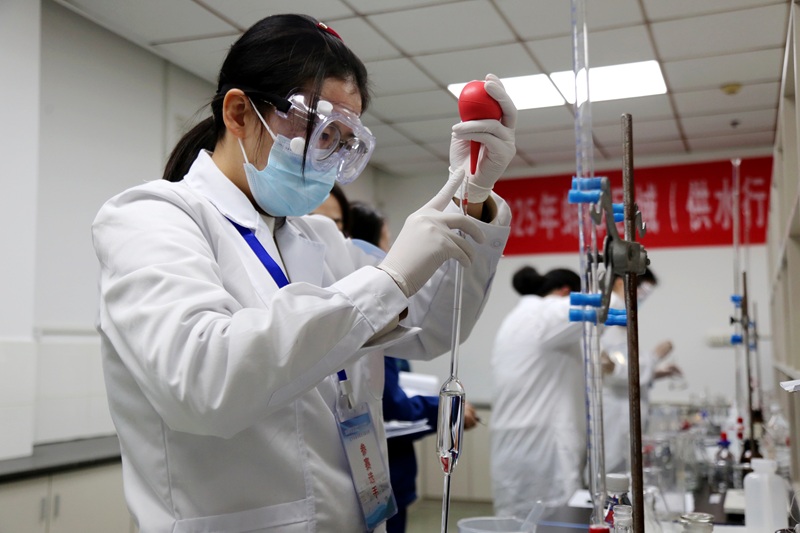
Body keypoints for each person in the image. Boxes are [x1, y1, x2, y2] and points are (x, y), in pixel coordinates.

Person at [91, 13, 516, 533]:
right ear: (239, 113)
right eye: (316, 129)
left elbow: (431, 327)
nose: (327, 155)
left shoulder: (318, 237)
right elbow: (202, 380)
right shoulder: (150, 217)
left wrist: (471, 195)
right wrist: (387, 280)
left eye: (342, 138)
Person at [318, 197, 479, 533]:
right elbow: (392, 403)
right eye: (386, 240)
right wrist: (442, 410)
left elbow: (433, 330)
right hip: (364, 468)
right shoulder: (362, 313)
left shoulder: (378, 310)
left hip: (375, 468)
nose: (389, 250)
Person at [489, 266, 585, 518]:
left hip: (513, 443)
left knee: (514, 520)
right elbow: (598, 306)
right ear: (566, 291)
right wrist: (616, 285)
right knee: (552, 520)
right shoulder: (548, 311)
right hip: (543, 447)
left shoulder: (515, 318)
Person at [601, 268, 683, 474]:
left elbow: (622, 366)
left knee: (625, 469)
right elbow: (611, 368)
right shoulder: (610, 314)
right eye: (642, 291)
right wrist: (654, 356)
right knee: (613, 472)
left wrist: (656, 372)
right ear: (620, 283)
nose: (642, 298)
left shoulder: (620, 315)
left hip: (623, 411)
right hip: (614, 414)